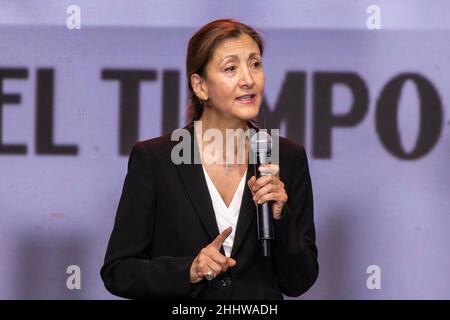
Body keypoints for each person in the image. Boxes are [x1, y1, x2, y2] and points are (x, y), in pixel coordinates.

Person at [100, 18, 318, 300]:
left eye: (255, 64)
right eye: (231, 68)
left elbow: (300, 281)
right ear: (200, 86)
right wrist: (188, 270)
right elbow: (119, 271)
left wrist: (281, 218)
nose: (248, 80)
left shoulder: (286, 156)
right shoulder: (156, 159)